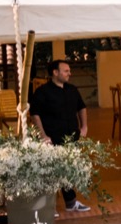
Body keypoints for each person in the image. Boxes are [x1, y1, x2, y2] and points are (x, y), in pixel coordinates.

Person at [29, 59, 90, 214]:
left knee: (69, 170)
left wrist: (84, 126)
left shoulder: (72, 89)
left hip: (71, 137)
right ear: (55, 73)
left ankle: (71, 202)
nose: (70, 73)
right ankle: (49, 206)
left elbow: (81, 107)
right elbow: (35, 114)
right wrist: (43, 135)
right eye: (66, 71)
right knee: (51, 172)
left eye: (69, 70)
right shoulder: (43, 92)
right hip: (52, 137)